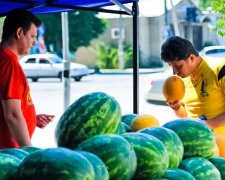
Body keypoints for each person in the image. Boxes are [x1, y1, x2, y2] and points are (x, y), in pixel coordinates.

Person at [0, 8, 54, 149]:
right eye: (32, 36)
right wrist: (29, 150)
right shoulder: (9, 63)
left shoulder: (3, 58)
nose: (34, 42)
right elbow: (11, 114)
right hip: (10, 151)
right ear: (19, 33)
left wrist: (31, 118)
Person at [161, 36, 225, 133]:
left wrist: (208, 124)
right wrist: (178, 108)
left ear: (191, 58)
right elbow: (186, 116)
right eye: (172, 67)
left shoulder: (220, 69)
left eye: (178, 66)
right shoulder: (182, 79)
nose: (174, 72)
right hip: (197, 143)